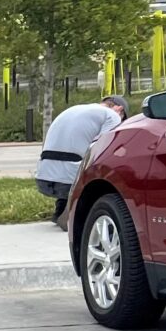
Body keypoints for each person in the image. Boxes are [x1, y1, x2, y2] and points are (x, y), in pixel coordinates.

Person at [37, 94, 126, 229]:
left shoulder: (74, 109)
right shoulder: (112, 116)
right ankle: (74, 212)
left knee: (76, 156)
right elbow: (104, 149)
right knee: (105, 165)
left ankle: (62, 208)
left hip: (43, 177)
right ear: (119, 109)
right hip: (68, 182)